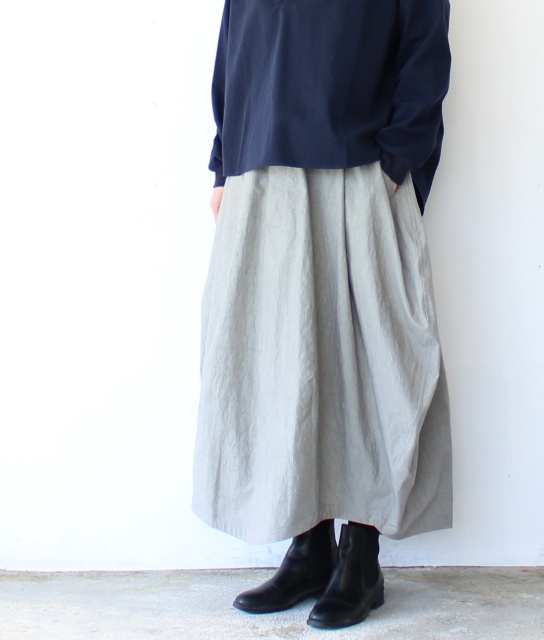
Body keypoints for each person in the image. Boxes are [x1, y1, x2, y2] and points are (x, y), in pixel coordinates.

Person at [192, 0, 453, 630]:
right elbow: (235, 48)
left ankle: (361, 556)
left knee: (367, 367)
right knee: (279, 365)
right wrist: (224, 161)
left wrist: (397, 164)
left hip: (358, 170)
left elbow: (424, 50)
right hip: (262, 172)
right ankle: (309, 549)